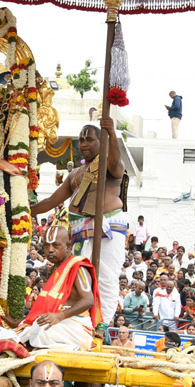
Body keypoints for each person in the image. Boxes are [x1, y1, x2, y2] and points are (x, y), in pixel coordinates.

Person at [31, 119, 126, 325]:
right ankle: (80, 321)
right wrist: (22, 211)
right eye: (81, 139)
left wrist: (111, 134)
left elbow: (117, 165)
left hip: (107, 227)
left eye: (89, 139)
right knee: (79, 278)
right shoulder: (75, 173)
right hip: (78, 230)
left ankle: (101, 326)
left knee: (105, 279)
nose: (84, 144)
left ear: (101, 142)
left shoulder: (109, 165)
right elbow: (50, 201)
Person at [15, 223, 96, 349]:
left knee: (38, 333)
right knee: (22, 332)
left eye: (56, 245)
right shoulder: (53, 269)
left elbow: (88, 300)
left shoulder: (78, 267)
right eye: (46, 246)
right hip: (58, 323)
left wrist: (60, 316)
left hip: (76, 325)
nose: (50, 250)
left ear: (68, 247)